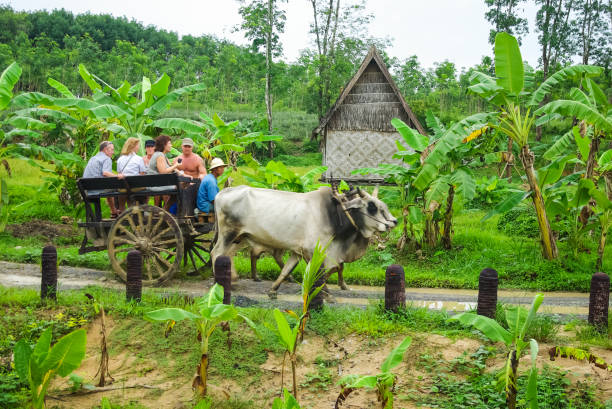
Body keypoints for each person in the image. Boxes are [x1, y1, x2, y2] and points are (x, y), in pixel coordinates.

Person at [82, 141, 124, 218]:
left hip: (88, 189)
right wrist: (117, 176)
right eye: (112, 150)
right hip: (98, 189)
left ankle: (113, 210)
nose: (113, 152)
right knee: (119, 188)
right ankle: (120, 210)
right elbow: (105, 173)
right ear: (105, 150)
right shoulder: (107, 159)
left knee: (108, 186)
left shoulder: (93, 158)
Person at [148, 134, 180, 210]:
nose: (171, 145)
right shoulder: (159, 155)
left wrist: (182, 173)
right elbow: (163, 172)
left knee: (180, 187)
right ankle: (165, 210)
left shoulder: (162, 155)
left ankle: (165, 210)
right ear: (164, 145)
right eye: (169, 143)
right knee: (180, 188)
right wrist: (175, 166)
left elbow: (170, 168)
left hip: (158, 183)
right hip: (156, 185)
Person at [117, 137, 147, 212]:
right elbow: (142, 174)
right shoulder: (139, 159)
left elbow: (119, 173)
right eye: (138, 145)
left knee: (125, 189)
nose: (139, 147)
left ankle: (122, 209)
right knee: (145, 188)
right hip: (136, 187)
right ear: (133, 146)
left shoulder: (120, 159)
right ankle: (142, 209)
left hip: (123, 187)